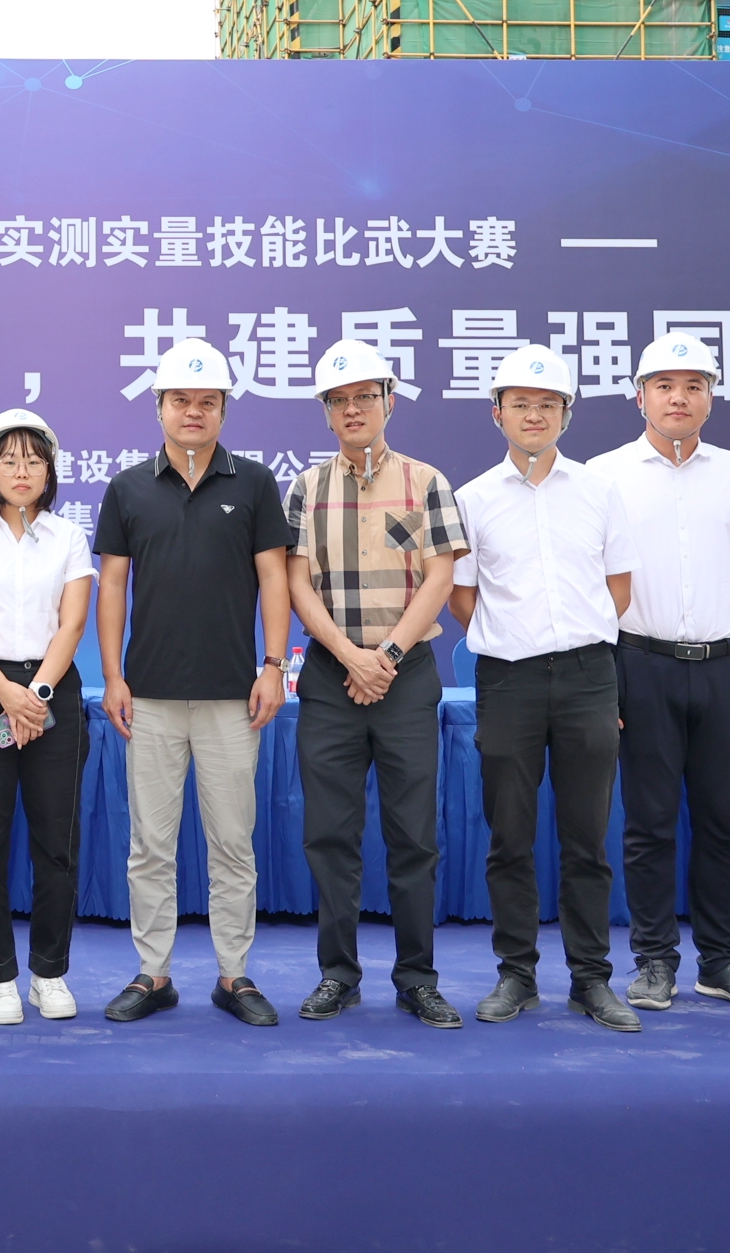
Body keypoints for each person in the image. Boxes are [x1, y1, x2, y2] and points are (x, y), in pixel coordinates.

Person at [587, 331, 730, 1014]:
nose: (679, 398)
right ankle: (653, 960)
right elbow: (590, 581)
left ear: (711, 397)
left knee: (724, 822)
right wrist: (604, 676)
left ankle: (721, 960)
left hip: (726, 668)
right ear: (639, 396)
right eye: (665, 386)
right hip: (638, 663)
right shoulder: (604, 475)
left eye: (694, 386)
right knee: (647, 823)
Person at [96, 338, 291, 1027]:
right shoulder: (127, 488)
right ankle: (153, 974)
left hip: (234, 696)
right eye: (181, 399)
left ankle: (234, 975)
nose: (194, 412)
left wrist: (274, 666)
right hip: (148, 696)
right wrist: (112, 675)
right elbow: (113, 585)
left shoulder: (255, 483)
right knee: (150, 845)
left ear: (223, 410)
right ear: (159, 407)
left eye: (208, 401)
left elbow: (274, 577)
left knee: (232, 843)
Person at [447, 345, 641, 1033]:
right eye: (521, 403)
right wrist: (515, 637)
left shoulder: (600, 491)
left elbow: (619, 587)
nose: (535, 415)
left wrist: (576, 642)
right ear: (497, 413)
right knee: (510, 835)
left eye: (549, 404)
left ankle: (591, 979)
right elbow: (462, 596)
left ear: (567, 414)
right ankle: (517, 974)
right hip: (508, 679)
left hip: (589, 676)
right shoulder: (472, 499)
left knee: (587, 838)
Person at [283, 339, 467, 1029]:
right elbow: (297, 582)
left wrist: (384, 655)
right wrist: (348, 656)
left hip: (406, 674)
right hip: (331, 675)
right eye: (339, 400)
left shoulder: (427, 481)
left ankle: (418, 978)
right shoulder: (306, 488)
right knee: (329, 835)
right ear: (326, 412)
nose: (353, 408)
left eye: (366, 395)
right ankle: (338, 974)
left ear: (389, 401)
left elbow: (441, 576)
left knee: (413, 836)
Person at [0, 409, 96, 1024]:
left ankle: (48, 973)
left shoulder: (68, 536)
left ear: (50, 470)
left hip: (52, 690)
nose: (22, 470)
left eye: (34, 460)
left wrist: (38, 693)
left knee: (57, 844)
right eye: (9, 460)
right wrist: (8, 693)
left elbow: (72, 623)